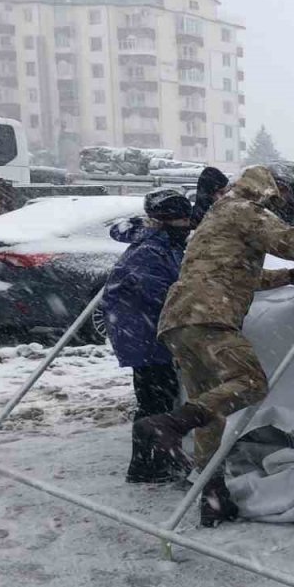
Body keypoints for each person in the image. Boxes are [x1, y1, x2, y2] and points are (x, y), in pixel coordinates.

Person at [135, 166, 294, 527]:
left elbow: (231, 272)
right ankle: (170, 423)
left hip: (178, 321)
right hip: (210, 317)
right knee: (250, 383)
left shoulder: (215, 217)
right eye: (277, 198)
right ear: (267, 193)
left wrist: (287, 277)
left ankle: (213, 496)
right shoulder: (246, 212)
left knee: (211, 411)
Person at [102, 189, 194, 484]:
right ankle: (147, 466)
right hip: (145, 337)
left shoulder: (160, 243)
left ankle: (154, 461)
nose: (187, 225)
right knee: (155, 400)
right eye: (182, 219)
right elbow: (162, 296)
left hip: (145, 334)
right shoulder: (150, 252)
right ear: (168, 220)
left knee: (156, 398)